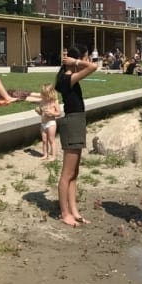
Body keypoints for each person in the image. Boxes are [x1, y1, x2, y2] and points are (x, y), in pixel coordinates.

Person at [55, 45, 99, 227]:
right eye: (84, 57)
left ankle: (74, 211)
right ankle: (65, 213)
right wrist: (76, 62)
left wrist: (76, 61)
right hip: (72, 123)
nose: (86, 61)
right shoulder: (68, 78)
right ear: (74, 60)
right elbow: (93, 67)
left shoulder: (70, 77)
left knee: (75, 173)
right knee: (67, 173)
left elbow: (90, 66)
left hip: (77, 122)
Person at [36, 82, 61, 161]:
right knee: (44, 140)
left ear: (51, 93)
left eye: (46, 95)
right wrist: (38, 111)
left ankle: (53, 156)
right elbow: (41, 112)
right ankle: (45, 155)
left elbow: (59, 113)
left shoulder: (54, 102)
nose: (44, 97)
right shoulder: (42, 101)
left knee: (51, 140)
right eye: (43, 95)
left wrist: (52, 113)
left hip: (51, 123)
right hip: (43, 123)